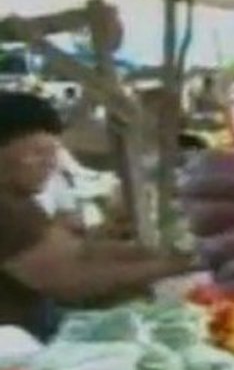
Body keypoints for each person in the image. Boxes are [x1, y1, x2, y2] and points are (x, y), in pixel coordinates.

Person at [0, 92, 194, 341]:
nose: (48, 164)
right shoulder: (7, 210)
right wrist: (174, 265)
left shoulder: (17, 199)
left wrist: (160, 252)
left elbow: (79, 252)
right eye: (36, 153)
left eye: (52, 153)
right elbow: (70, 279)